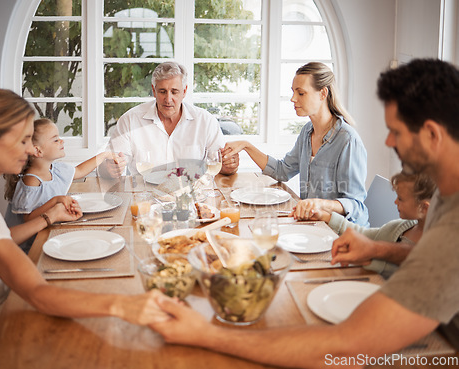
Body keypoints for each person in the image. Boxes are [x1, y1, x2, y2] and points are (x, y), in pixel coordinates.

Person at [150, 59, 459, 366]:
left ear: (432, 134)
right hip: (321, 232)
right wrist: (380, 248)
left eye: (396, 132)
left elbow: (347, 346)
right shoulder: (446, 199)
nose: (389, 142)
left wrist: (205, 334)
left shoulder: (351, 141)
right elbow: (432, 260)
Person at [0, 88, 170, 337]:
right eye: (23, 140)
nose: (30, 150)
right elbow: (37, 293)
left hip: (8, 300)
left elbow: (4, 239)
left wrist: (52, 214)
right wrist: (123, 305)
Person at [223, 62, 369, 226]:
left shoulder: (347, 140)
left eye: (301, 93)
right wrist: (246, 145)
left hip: (342, 233)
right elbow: (282, 171)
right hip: (312, 225)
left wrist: (319, 204)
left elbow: (355, 205)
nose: (293, 99)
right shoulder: (307, 132)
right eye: (293, 92)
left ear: (323, 94)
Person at [98, 61, 239, 178]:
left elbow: (221, 164)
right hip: (144, 200)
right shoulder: (130, 120)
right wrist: (108, 168)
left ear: (184, 91)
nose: (168, 99)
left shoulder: (205, 121)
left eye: (174, 91)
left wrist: (229, 166)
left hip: (193, 198)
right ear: (154, 90)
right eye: (162, 91)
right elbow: (106, 167)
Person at [4, 118, 119, 253]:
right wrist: (56, 200)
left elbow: (79, 171)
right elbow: (28, 218)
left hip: (49, 235)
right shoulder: (31, 181)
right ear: (37, 151)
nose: (62, 141)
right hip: (30, 249)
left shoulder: (55, 170)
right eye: (55, 139)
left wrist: (104, 155)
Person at [312, 171, 435, 278]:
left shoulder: (436, 247)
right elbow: (364, 235)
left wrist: (368, 259)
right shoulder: (401, 227)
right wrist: (326, 217)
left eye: (401, 199)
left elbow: (402, 275)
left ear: (424, 208)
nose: (395, 201)